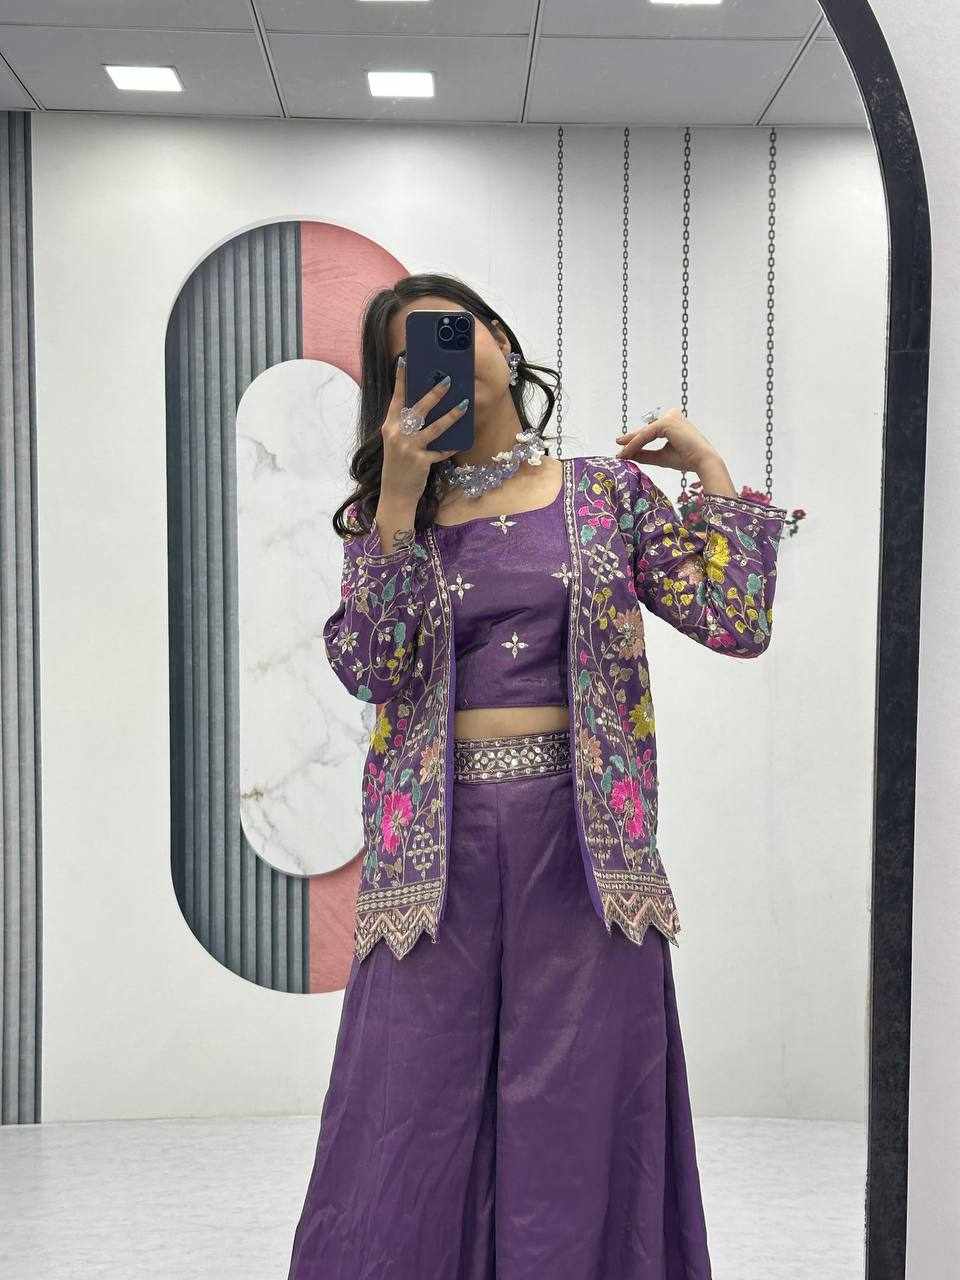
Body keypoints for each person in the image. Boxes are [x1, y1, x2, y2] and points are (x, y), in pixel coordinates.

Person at [287, 272, 788, 1279]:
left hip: (586, 846)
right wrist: (397, 498)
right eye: (403, 354)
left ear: (502, 342)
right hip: (431, 856)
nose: (431, 355)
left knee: (577, 1107)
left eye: (450, 328)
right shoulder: (388, 517)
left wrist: (709, 469)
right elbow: (373, 669)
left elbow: (735, 621)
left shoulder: (606, 494)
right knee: (409, 1110)